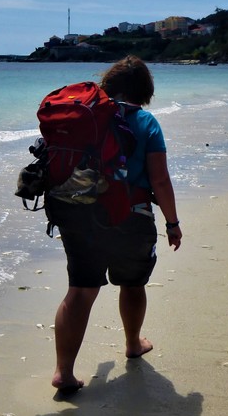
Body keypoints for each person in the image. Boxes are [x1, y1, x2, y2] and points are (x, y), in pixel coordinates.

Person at [46, 55, 183, 395]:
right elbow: (160, 181)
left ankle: (64, 372)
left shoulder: (83, 117)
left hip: (76, 212)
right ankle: (133, 343)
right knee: (133, 284)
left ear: (107, 85)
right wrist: (172, 222)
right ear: (144, 91)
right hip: (130, 215)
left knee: (80, 290)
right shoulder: (146, 122)